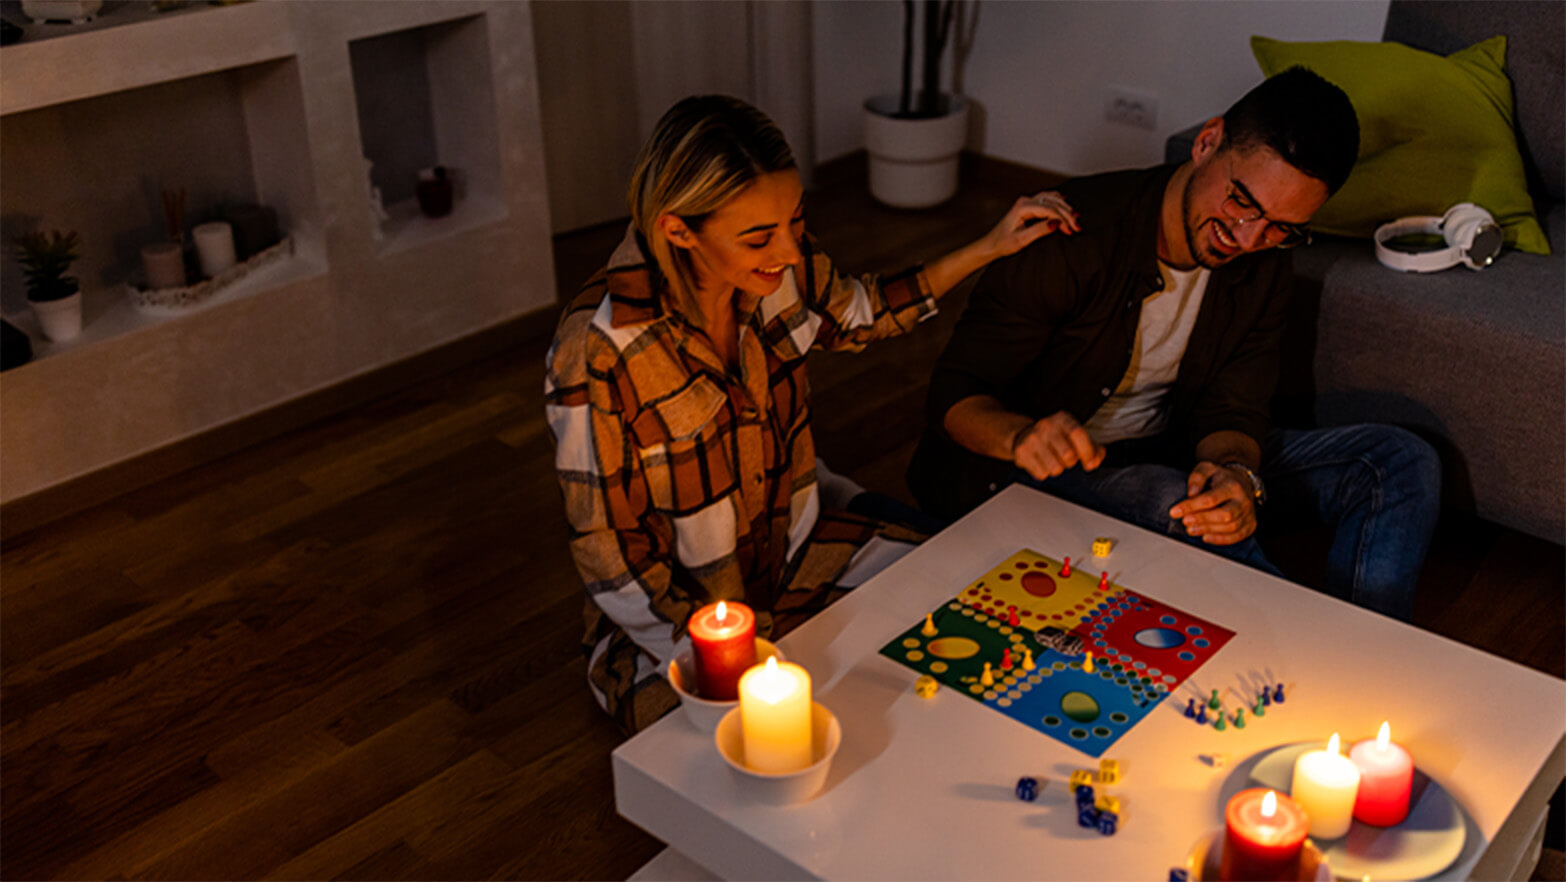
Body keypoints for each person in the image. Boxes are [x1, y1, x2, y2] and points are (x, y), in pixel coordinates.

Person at [545, 95, 1079, 734]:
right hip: (677, 623)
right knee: (750, 749)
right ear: (677, 230)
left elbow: (860, 312)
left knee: (972, 618)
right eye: (760, 237)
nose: (791, 252)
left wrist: (990, 246)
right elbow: (609, 551)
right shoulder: (598, 350)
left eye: (795, 221)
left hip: (802, 560)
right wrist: (707, 659)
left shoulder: (777, 268)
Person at [907, 67, 1440, 621]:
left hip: (1171, 451)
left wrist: (1235, 477)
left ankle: (1365, 637)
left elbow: (1234, 408)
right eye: (1242, 201)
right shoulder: (1072, 234)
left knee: (1398, 461)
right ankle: (1312, 653)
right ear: (1207, 143)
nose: (1249, 238)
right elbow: (953, 396)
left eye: (1283, 226)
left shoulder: (1264, 258)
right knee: (1178, 507)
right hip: (1033, 473)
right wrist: (1021, 436)